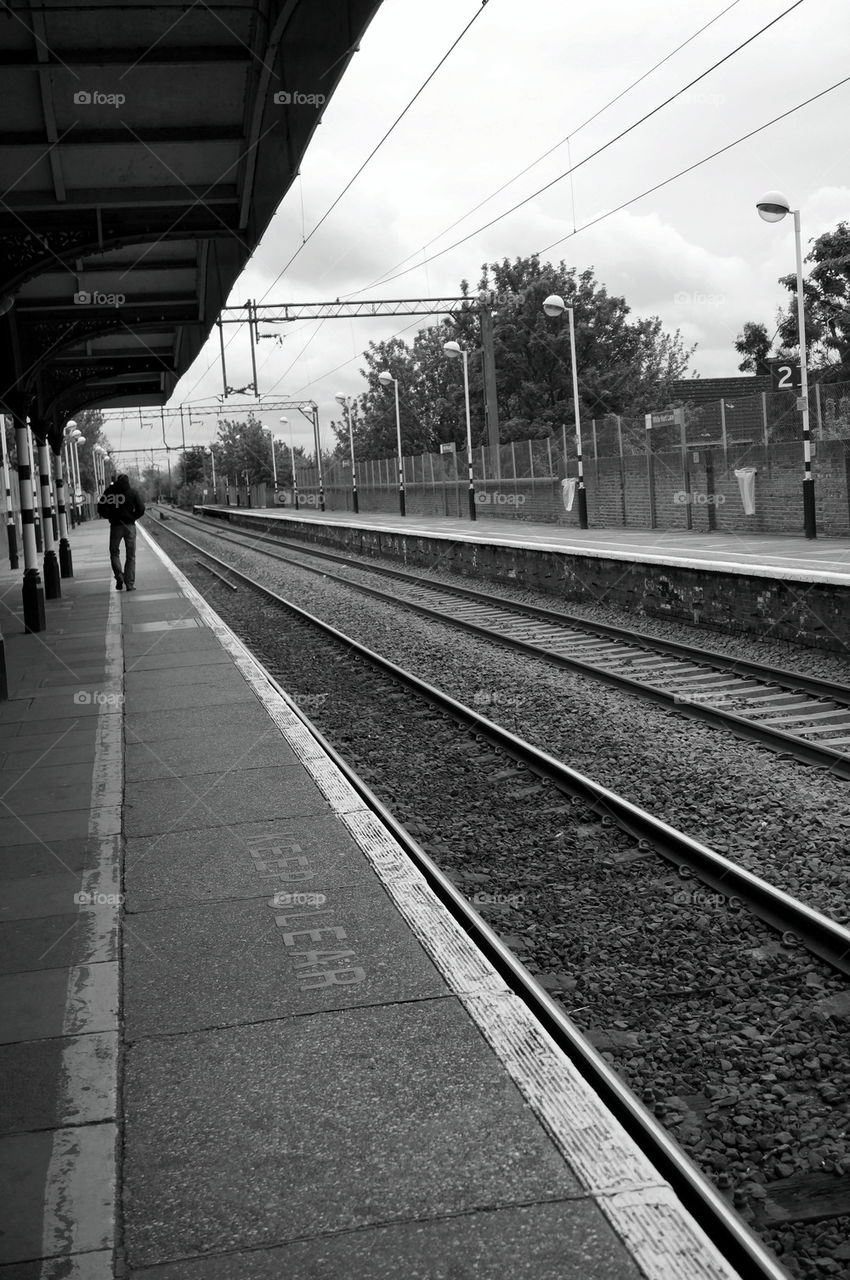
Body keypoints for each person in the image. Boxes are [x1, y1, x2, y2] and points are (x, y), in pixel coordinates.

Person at [96, 474, 146, 591]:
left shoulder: (110, 492)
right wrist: (133, 517)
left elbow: (100, 508)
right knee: (131, 556)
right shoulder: (133, 492)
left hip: (116, 527)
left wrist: (111, 516)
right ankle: (129, 584)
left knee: (114, 553)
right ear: (128, 482)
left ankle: (119, 575)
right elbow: (141, 509)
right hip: (130, 527)